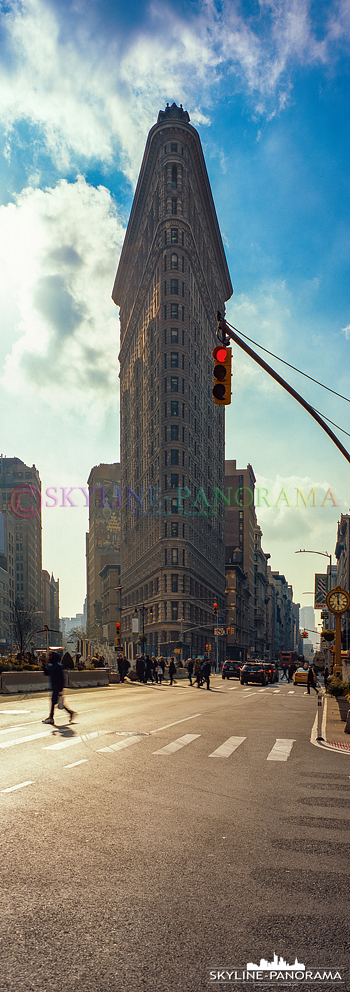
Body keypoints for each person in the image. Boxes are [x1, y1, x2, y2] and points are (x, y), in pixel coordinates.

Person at [42, 651, 77, 725]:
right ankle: (70, 712)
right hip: (55, 687)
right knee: (57, 702)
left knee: (54, 702)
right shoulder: (53, 665)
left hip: (57, 688)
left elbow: (61, 679)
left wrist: (60, 690)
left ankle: (51, 717)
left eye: (50, 656)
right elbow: (47, 673)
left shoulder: (58, 666)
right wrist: (43, 665)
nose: (49, 657)